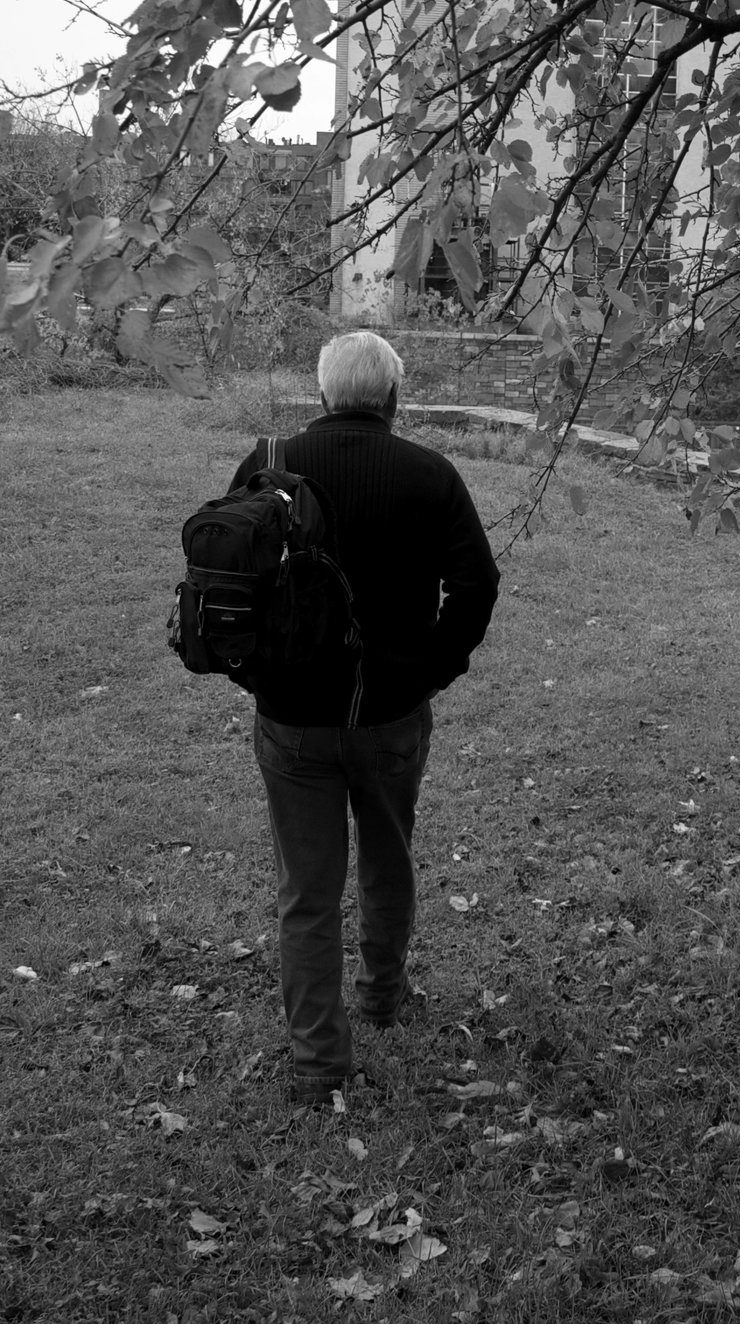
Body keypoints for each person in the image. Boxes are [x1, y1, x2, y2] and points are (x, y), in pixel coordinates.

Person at [226, 330, 500, 1108]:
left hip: (291, 719)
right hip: (390, 715)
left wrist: (257, 676)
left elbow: (230, 583)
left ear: (321, 393)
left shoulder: (270, 462)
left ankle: (319, 1063)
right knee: (388, 857)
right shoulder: (429, 473)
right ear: (392, 396)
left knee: (307, 892)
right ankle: (381, 994)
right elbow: (476, 585)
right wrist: (432, 669)